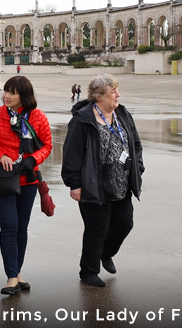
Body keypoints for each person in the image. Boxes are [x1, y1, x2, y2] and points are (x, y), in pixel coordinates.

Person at [62, 74, 144, 287]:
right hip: (94, 182)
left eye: (117, 91)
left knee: (125, 223)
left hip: (122, 182)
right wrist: (74, 184)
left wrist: (138, 167)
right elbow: (72, 153)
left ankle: (106, 252)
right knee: (96, 228)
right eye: (113, 92)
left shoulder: (122, 113)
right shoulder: (83, 119)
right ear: (98, 97)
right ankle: (88, 272)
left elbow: (135, 143)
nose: (118, 95)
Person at [0, 76, 52, 295]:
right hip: (2, 179)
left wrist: (34, 159)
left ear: (24, 96)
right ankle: (11, 277)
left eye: (12, 92)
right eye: (6, 91)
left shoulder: (37, 117)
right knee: (9, 225)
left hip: (28, 178)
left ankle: (17, 272)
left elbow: (47, 145)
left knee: (21, 227)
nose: (6, 96)